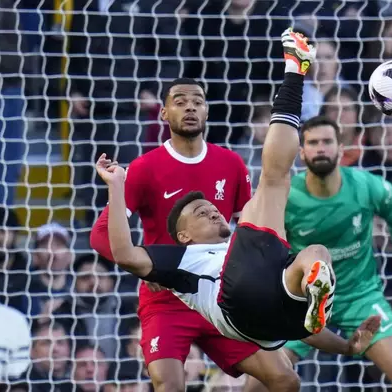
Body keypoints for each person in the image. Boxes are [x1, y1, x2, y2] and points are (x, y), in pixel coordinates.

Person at [95, 26, 381, 357]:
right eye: (201, 212)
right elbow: (124, 253)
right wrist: (116, 187)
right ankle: (294, 70)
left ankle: (313, 284)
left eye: (212, 208)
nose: (214, 209)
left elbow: (308, 333)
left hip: (274, 321)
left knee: (315, 254)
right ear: (184, 235)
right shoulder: (182, 259)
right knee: (275, 181)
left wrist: (347, 346)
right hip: (234, 297)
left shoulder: (232, 218)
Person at [89, 71, 299, 390]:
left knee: (284, 379)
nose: (190, 107)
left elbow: (252, 230)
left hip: (221, 292)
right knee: (169, 385)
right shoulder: (146, 167)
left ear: (207, 111)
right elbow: (99, 236)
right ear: (164, 113)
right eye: (180, 101)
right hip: (168, 298)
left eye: (197, 101)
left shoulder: (231, 164)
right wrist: (149, 272)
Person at [243, 115, 392, 392]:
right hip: (299, 301)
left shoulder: (368, 186)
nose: (321, 148)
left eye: (327, 141)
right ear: (301, 152)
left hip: (359, 297)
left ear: (341, 148)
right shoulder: (287, 197)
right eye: (313, 143)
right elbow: (260, 244)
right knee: (257, 386)